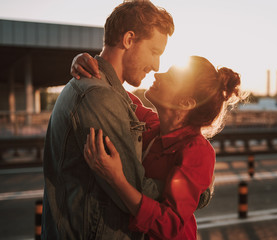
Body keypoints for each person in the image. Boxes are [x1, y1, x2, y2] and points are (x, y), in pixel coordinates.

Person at [41, 1, 174, 239]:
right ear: (129, 39)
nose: (156, 66)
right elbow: (136, 190)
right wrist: (194, 187)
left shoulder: (108, 93)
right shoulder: (99, 97)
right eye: (154, 52)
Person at [76, 55, 243, 239]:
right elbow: (113, 94)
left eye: (169, 78)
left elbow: (171, 224)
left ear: (186, 103)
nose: (157, 75)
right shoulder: (151, 124)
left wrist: (116, 179)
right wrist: (83, 62)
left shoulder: (197, 151)